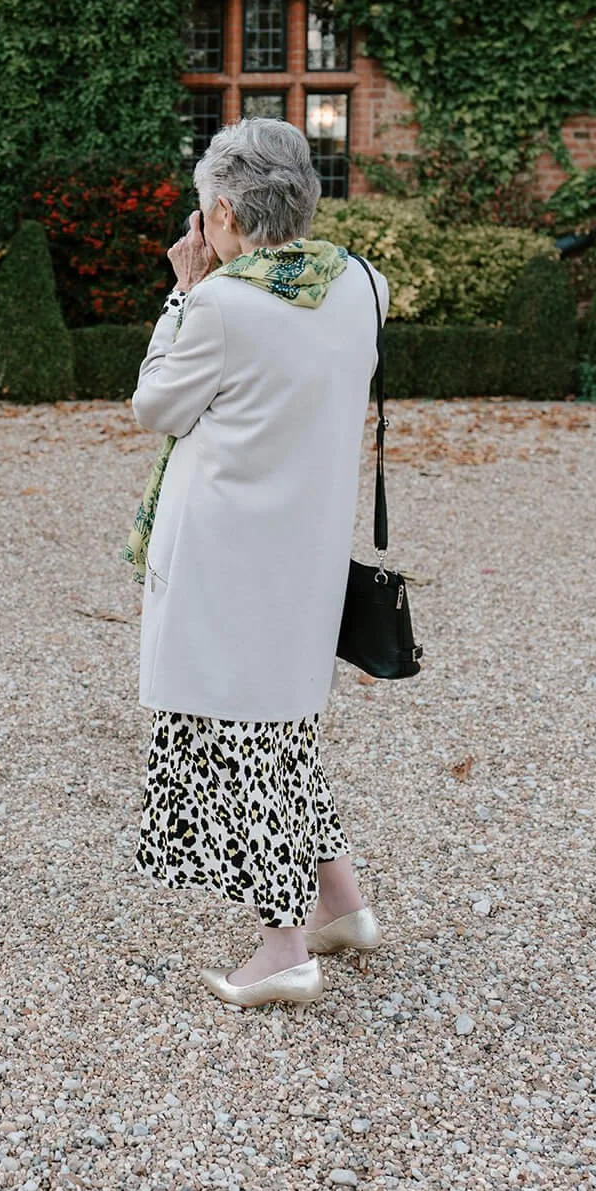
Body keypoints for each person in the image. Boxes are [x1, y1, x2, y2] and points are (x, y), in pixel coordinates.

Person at [127, 116, 389, 1011]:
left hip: (224, 562)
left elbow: (155, 406)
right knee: (279, 733)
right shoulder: (361, 282)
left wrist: (184, 291)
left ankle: (284, 951)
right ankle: (342, 908)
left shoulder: (222, 306)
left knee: (241, 746)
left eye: (206, 215)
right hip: (307, 556)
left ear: (228, 214)